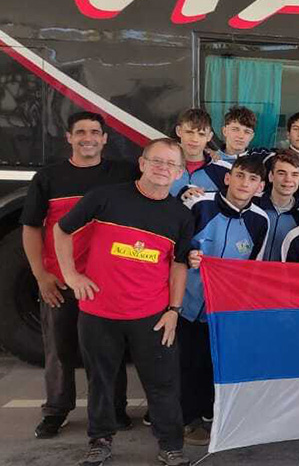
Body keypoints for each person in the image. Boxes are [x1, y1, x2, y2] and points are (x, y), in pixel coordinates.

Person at [54, 138, 194, 466]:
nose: (163, 169)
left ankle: (171, 446)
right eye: (157, 161)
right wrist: (71, 276)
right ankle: (100, 440)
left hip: (153, 315)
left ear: (178, 174)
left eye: (171, 165)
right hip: (98, 312)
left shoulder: (180, 216)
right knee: (101, 381)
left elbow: (179, 264)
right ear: (142, 164)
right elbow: (61, 231)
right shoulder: (105, 198)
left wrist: (175, 309)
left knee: (163, 384)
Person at [21, 111, 137, 440]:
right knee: (59, 348)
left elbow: (164, 170)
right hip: (61, 280)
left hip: (106, 281)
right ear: (69, 138)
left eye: (95, 132)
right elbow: (31, 228)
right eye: (81, 132)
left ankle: (116, 407)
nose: (88, 137)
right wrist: (41, 275)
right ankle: (56, 410)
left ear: (104, 139)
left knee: (108, 348)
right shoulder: (49, 177)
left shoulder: (124, 174)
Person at [180, 155, 269, 446]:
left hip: (224, 309)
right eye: (240, 176)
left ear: (260, 187)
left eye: (253, 179)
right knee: (185, 363)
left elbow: (254, 268)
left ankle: (207, 414)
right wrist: (186, 256)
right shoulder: (198, 204)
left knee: (211, 363)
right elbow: (174, 245)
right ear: (228, 178)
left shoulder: (260, 221)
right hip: (185, 303)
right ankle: (184, 420)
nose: (245, 183)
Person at [185, 106, 267, 196]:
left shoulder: (261, 159)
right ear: (224, 131)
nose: (240, 136)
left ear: (252, 136)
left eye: (247, 132)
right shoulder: (210, 161)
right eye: (235, 129)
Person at [256, 149, 299, 261]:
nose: (288, 180)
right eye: (281, 173)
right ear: (271, 176)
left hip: (282, 276)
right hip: (248, 274)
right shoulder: (252, 204)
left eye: (294, 174)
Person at [169, 108, 214, 197]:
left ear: (209, 136)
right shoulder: (163, 165)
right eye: (189, 132)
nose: (194, 139)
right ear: (179, 131)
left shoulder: (221, 170)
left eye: (201, 134)